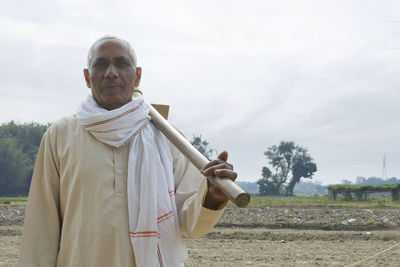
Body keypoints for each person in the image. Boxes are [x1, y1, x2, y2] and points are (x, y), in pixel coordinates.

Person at [18, 36, 237, 267]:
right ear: (86, 77)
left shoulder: (167, 137)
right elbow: (41, 226)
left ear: (137, 76)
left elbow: (189, 224)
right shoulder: (60, 135)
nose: (111, 72)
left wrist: (211, 197)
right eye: (101, 64)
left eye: (121, 63)